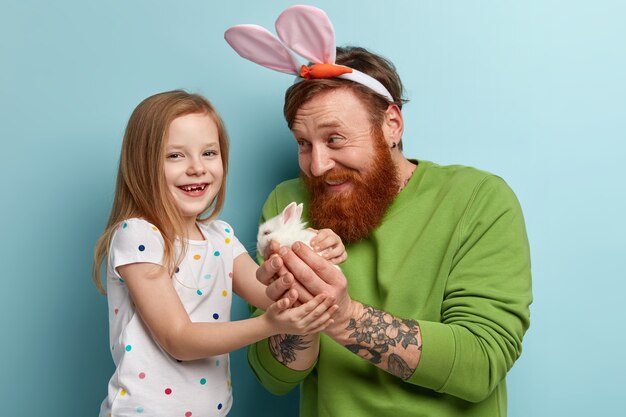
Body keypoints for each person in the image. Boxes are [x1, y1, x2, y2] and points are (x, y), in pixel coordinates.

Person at [227, 10, 532, 415]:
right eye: (303, 144)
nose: (317, 166)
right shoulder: (287, 205)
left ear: (391, 125)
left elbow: (481, 364)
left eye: (334, 138)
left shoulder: (479, 200)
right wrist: (294, 317)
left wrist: (343, 316)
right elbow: (274, 378)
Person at [91, 90, 346, 417]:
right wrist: (268, 325)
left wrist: (314, 250)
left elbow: (273, 294)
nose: (197, 168)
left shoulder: (220, 237)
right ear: (142, 165)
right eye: (175, 156)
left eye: (209, 153)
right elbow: (178, 338)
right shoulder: (139, 235)